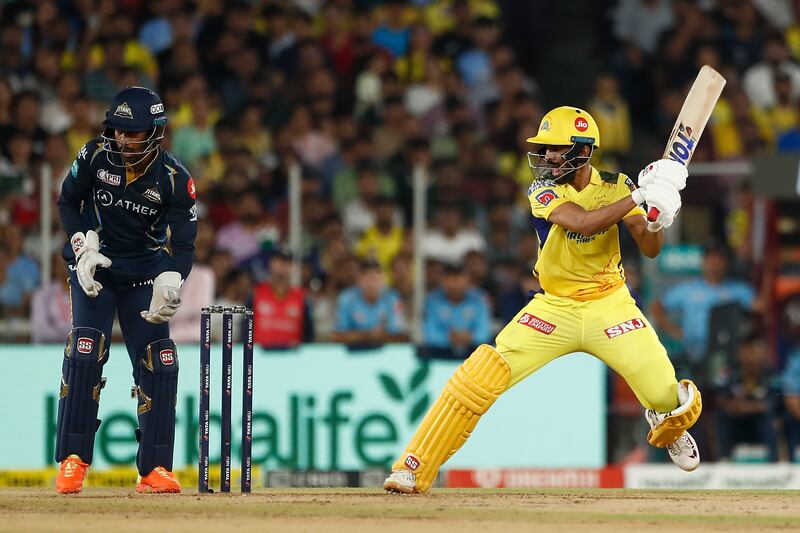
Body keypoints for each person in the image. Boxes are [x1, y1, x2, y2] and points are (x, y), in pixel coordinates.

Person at [384, 106, 701, 494]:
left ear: (583, 152)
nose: (548, 157)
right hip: (554, 307)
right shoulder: (543, 188)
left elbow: (650, 250)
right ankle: (413, 467)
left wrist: (655, 217)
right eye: (545, 149)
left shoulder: (616, 185)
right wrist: (640, 194)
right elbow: (585, 221)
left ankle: (663, 420)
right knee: (478, 377)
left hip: (610, 305)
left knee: (667, 395)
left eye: (556, 149)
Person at [54, 86, 197, 494]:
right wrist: (83, 245)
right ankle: (73, 461)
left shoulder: (174, 178)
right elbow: (67, 202)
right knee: (86, 349)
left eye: (132, 133)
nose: (121, 140)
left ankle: (153, 469)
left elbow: (184, 245)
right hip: (95, 269)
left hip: (143, 277)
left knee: (160, 361)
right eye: (117, 131)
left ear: (154, 134)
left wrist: (172, 279)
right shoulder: (95, 154)